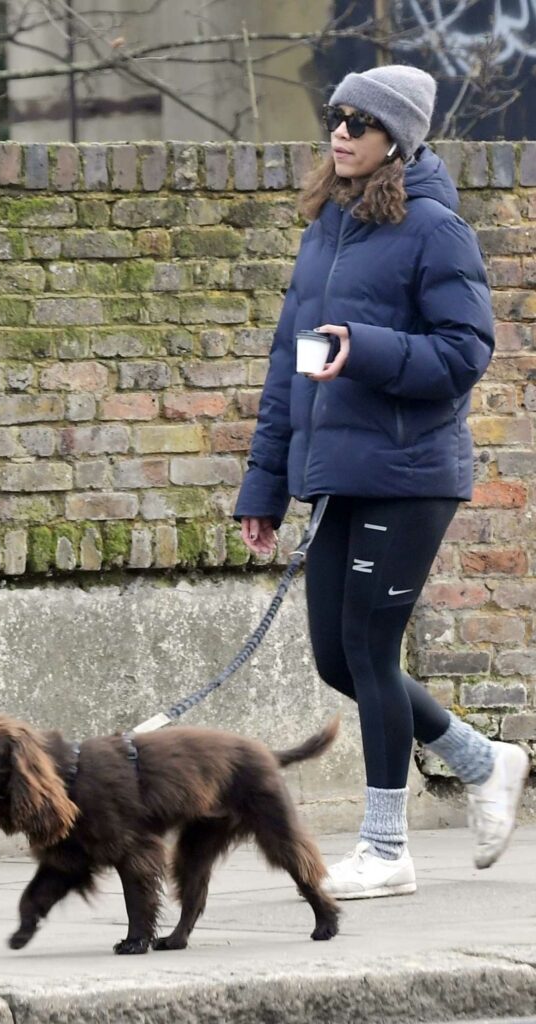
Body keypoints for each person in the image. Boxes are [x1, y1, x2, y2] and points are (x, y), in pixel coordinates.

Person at [234, 64, 529, 899]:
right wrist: (264, 487)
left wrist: (367, 348)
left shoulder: (436, 229)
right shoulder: (326, 227)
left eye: (360, 122)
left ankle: (386, 847)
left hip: (409, 474)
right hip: (339, 474)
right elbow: (290, 369)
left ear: (396, 139)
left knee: (370, 646)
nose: (341, 130)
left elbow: (466, 354)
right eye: (336, 114)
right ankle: (482, 759)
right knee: (337, 656)